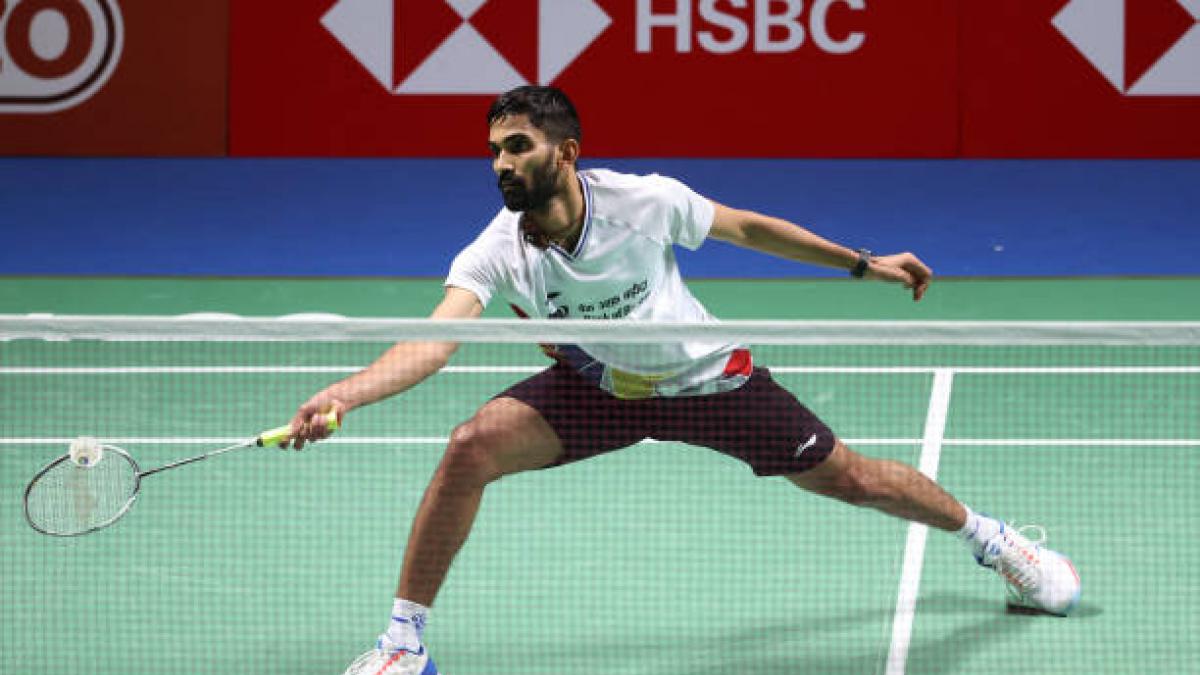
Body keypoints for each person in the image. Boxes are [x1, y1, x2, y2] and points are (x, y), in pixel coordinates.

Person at [285, 86, 1081, 675]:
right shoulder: (496, 247)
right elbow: (437, 339)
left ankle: (994, 540)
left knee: (854, 478)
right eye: (495, 149)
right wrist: (343, 394)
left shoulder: (646, 201)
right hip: (598, 391)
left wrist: (861, 264)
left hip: (705, 379)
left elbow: (748, 228)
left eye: (518, 145)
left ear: (566, 152)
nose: (501, 163)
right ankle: (403, 642)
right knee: (471, 445)